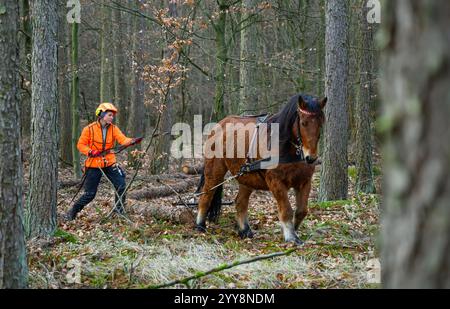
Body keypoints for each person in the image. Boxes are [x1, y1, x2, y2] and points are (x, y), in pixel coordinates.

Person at [65, 103, 139, 221]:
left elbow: (122, 139)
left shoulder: (114, 128)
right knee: (90, 194)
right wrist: (90, 152)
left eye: (112, 115)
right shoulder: (89, 129)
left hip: (110, 162)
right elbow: (80, 145)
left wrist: (132, 141)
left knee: (121, 185)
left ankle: (119, 211)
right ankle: (72, 212)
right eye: (109, 115)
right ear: (102, 115)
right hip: (93, 164)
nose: (112, 117)